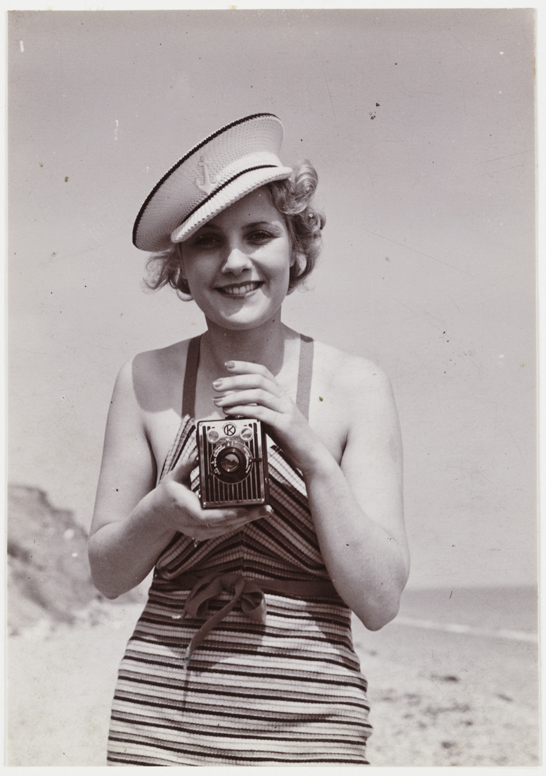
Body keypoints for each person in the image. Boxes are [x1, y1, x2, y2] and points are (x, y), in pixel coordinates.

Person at [89, 113, 409, 766]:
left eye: (258, 234)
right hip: (163, 718)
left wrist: (307, 450)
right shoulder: (146, 378)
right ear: (181, 267)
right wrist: (163, 512)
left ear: (296, 247)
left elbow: (378, 601)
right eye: (207, 241)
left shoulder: (356, 385)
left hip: (313, 723)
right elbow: (106, 574)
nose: (235, 262)